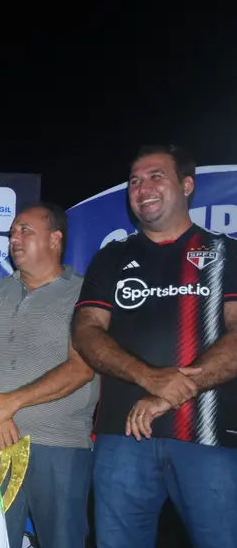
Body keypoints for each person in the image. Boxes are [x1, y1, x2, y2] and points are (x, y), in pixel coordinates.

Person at [72, 145, 237, 547]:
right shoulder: (111, 258)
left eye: (156, 176)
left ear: (187, 184)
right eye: (134, 180)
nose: (142, 187)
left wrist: (175, 390)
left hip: (208, 437)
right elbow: (86, 331)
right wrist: (149, 378)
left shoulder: (227, 252)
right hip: (123, 435)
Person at [0, 203, 98, 548]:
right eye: (12, 232)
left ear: (55, 239)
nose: (14, 238)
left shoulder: (86, 293)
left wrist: (9, 404)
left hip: (61, 446)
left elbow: (81, 367)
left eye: (25, 230)